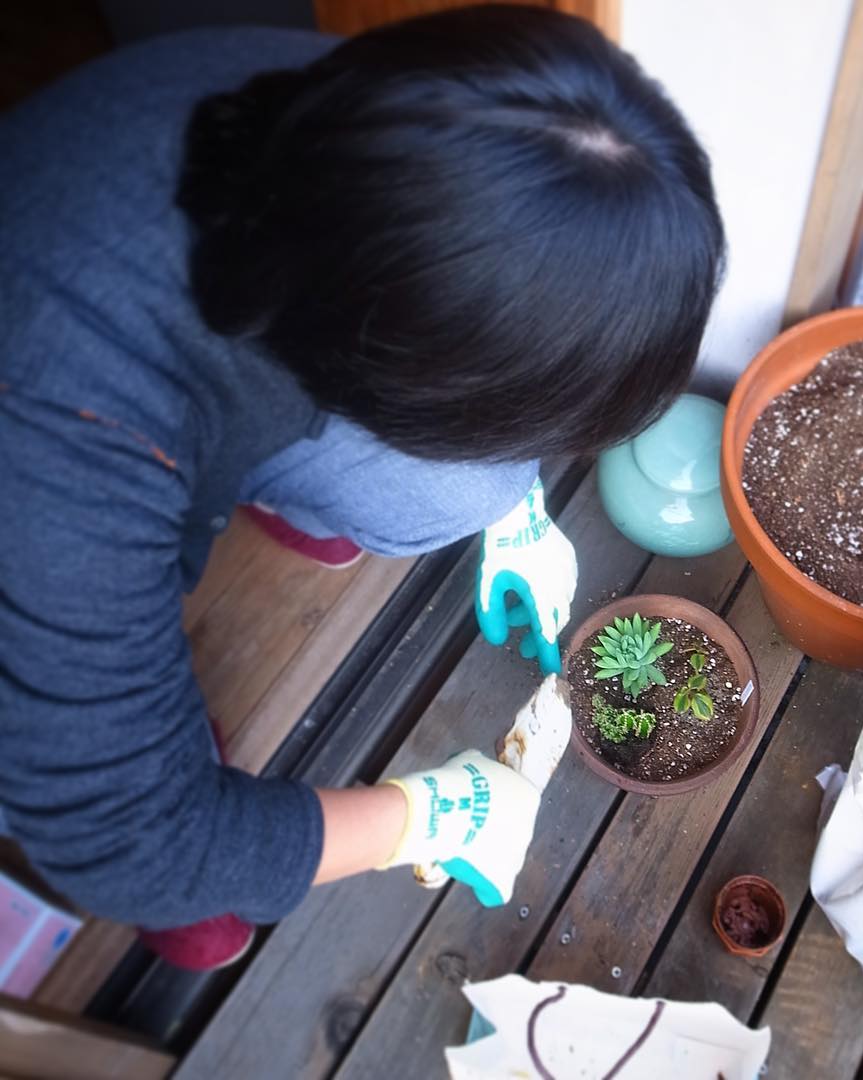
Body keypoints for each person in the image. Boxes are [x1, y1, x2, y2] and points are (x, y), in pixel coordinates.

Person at [0, 6, 724, 970]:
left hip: (206, 362)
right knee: (170, 862)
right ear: (388, 357)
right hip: (45, 481)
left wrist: (512, 504)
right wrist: (430, 815)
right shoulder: (60, 434)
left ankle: (269, 496)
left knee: (465, 488)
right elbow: (133, 845)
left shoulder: (402, 131)